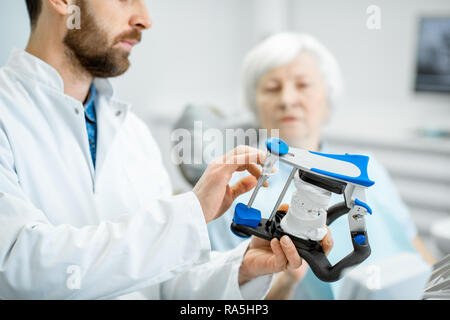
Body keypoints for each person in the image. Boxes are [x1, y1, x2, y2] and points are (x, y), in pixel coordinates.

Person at [0, 1, 333, 299]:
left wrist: (242, 267)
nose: (144, 18)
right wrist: (191, 213)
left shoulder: (133, 133)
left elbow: (166, 285)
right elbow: (19, 268)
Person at [207, 32, 436, 300]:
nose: (288, 99)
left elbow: (413, 245)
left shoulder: (368, 169)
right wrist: (284, 283)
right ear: (255, 105)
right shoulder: (233, 189)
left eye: (303, 85)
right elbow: (221, 295)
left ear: (328, 101)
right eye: (272, 88)